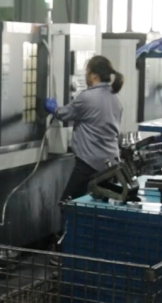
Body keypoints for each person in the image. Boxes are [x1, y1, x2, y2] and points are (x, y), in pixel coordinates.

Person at [44, 55, 124, 202]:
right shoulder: (115, 98)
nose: (85, 75)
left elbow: (64, 114)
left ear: (94, 75)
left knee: (68, 204)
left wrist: (53, 108)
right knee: (97, 205)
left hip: (89, 163)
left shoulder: (87, 97)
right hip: (111, 164)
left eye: (87, 71)